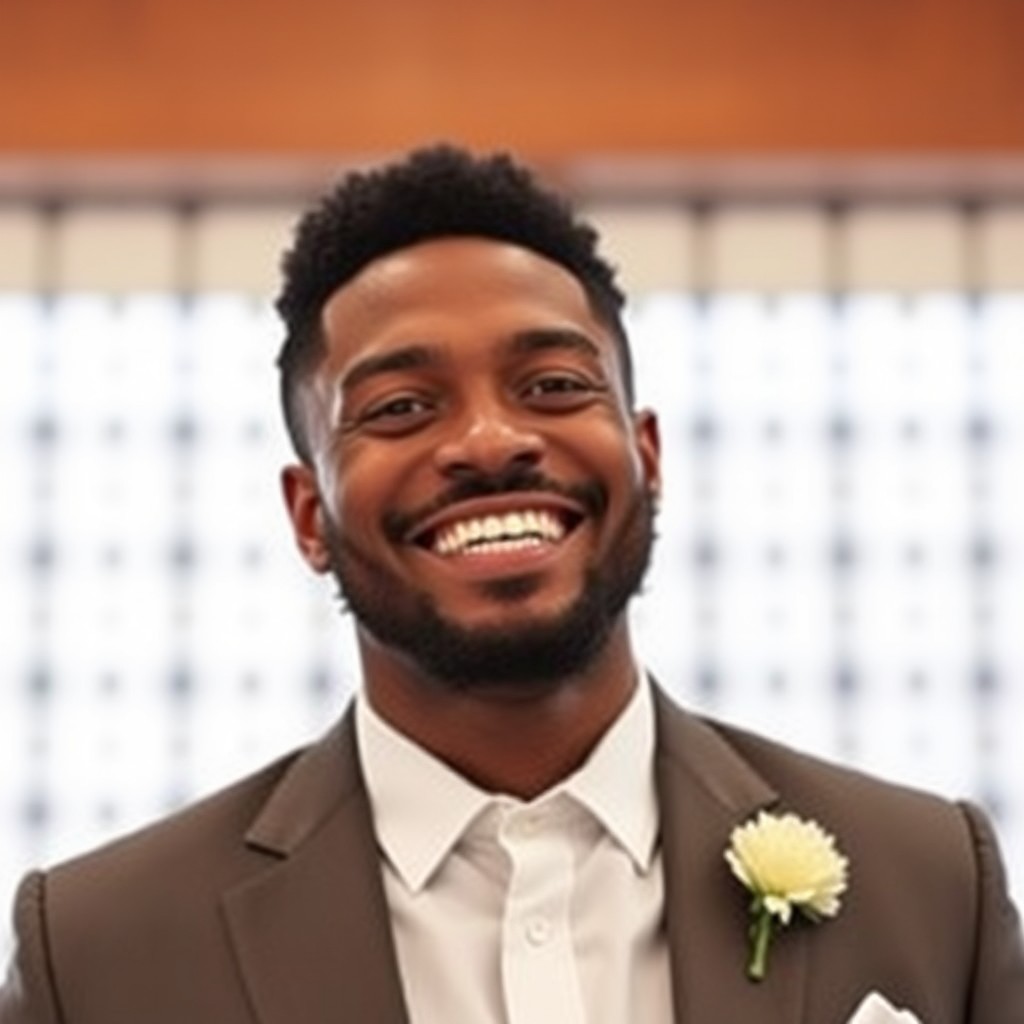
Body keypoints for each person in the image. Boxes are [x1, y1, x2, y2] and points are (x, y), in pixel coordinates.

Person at [1, 145, 1022, 1024]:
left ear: (646, 454)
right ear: (310, 516)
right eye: (402, 406)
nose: (490, 440)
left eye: (553, 386)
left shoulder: (928, 883)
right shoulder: (100, 952)